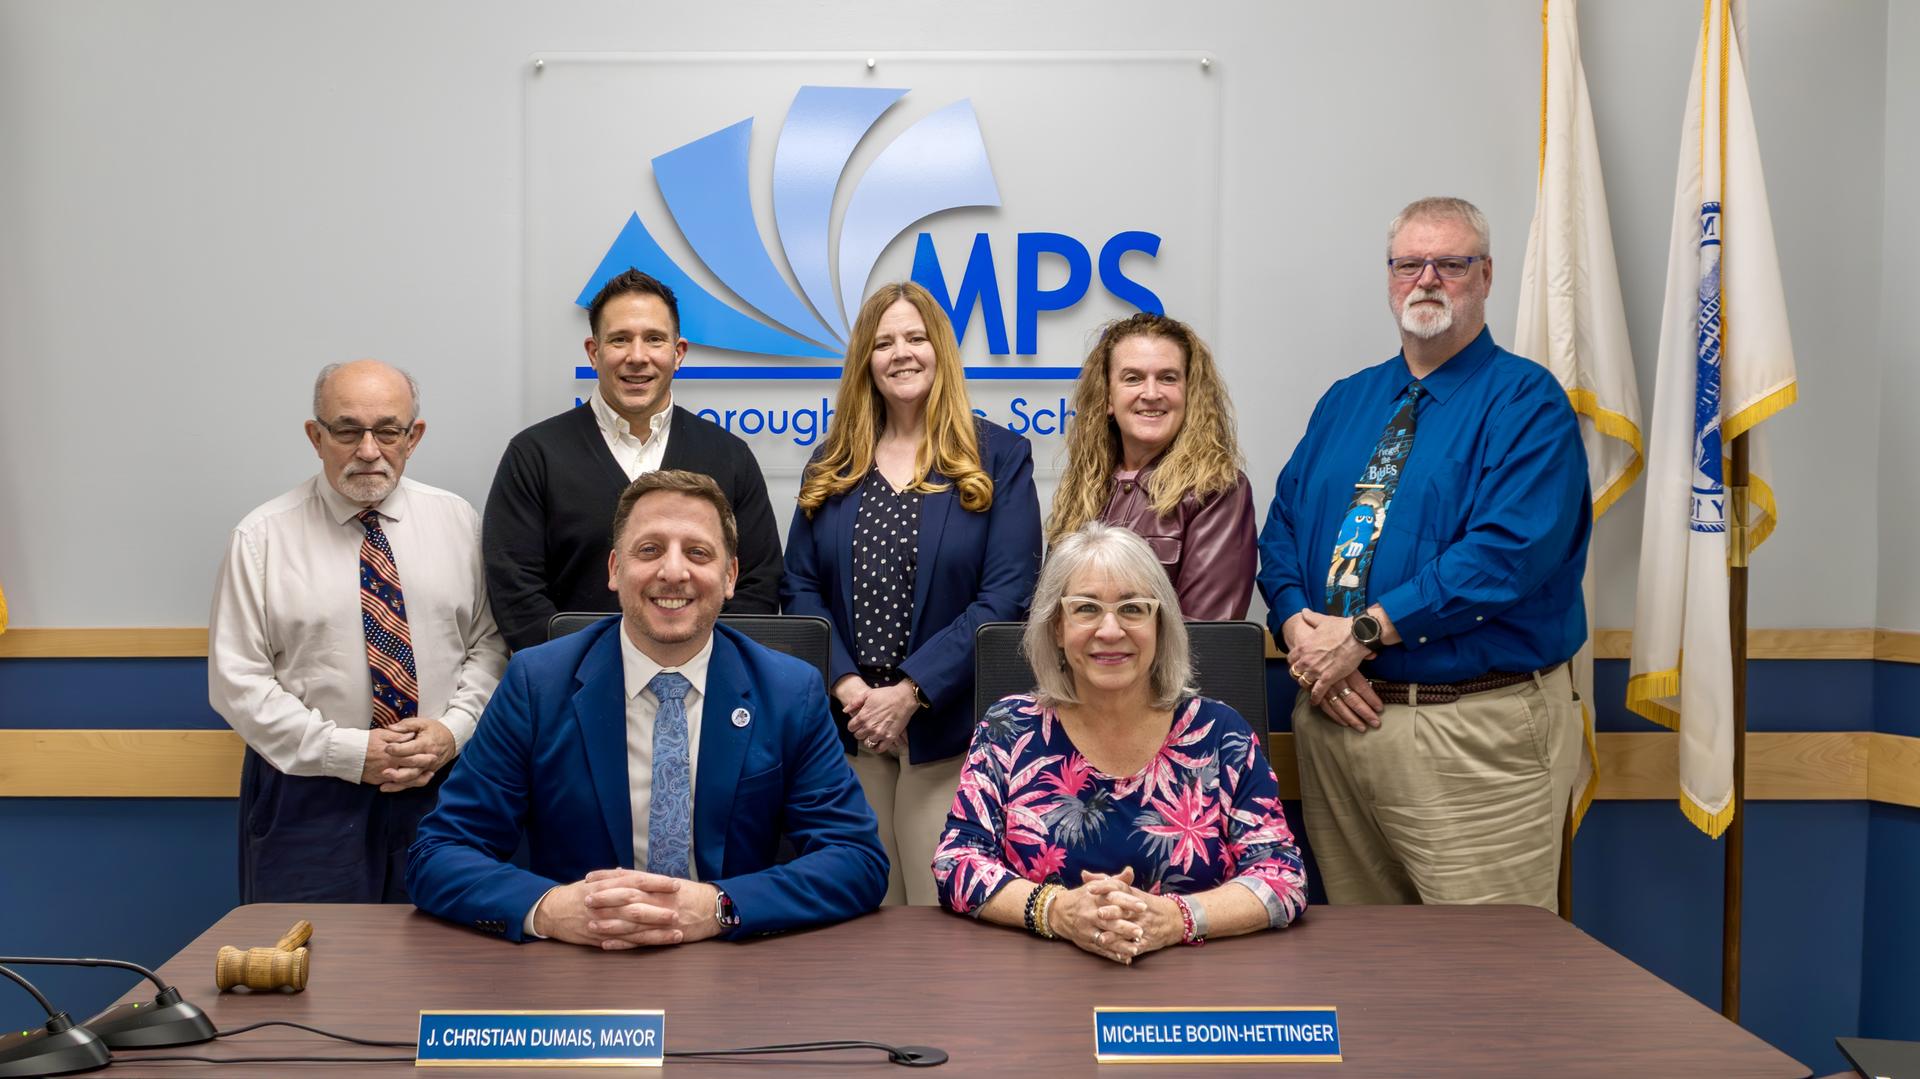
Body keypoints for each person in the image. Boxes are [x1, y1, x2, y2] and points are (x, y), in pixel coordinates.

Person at [1256, 196, 1590, 911]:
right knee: (1366, 962)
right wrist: (1295, 625)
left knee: (1486, 967)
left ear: (1486, 275)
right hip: (1334, 721)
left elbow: (1505, 554)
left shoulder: (1528, 403)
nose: (1427, 279)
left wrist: (1363, 632)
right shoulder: (1347, 401)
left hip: (1470, 735)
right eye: (1409, 264)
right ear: (1390, 277)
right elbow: (1282, 528)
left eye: (1451, 264)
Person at [409, 470, 888, 945]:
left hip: (732, 962)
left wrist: (721, 906)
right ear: (615, 569)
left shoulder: (789, 691)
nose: (673, 572)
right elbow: (440, 852)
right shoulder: (536, 684)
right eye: (650, 550)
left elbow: (856, 858)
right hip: (578, 961)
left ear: (730, 577)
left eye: (697, 552)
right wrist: (551, 910)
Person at [933, 523, 1306, 962]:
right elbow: (957, 860)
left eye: (1132, 609)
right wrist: (1057, 910)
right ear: (1056, 627)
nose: (1110, 631)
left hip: (1198, 981)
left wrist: (1175, 918)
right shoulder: (1007, 728)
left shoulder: (1221, 733)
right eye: (1086, 609)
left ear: (1160, 625)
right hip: (1037, 979)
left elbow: (1282, 876)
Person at [781, 282, 1042, 906]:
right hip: (849, 733)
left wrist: (911, 691)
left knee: (941, 920)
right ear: (865, 360)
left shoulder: (999, 456)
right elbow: (800, 585)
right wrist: (849, 688)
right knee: (857, 917)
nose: (901, 353)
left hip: (949, 737)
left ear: (940, 350)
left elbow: (1006, 597)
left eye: (916, 338)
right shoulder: (831, 461)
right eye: (884, 342)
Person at [209, 360, 507, 902]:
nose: (369, 450)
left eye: (388, 431)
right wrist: (347, 752)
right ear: (315, 436)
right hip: (310, 794)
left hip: (443, 783)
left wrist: (452, 731)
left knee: (444, 945)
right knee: (315, 951)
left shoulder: (458, 522)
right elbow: (238, 683)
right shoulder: (261, 538)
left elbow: (488, 645)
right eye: (347, 431)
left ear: (413, 437)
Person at [483, 270, 784, 651]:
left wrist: (695, 669)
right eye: (620, 339)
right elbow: (516, 592)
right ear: (594, 353)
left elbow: (757, 583)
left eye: (654, 339)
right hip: (569, 682)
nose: (637, 357)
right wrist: (581, 670)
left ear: (678, 353)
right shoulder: (533, 455)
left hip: (704, 683)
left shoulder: (730, 456)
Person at [1047, 313, 1258, 620]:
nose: (1151, 393)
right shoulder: (1083, 488)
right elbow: (1048, 616)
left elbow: (1207, 632)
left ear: (1190, 394)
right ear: (1108, 397)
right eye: (1133, 378)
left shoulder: (1215, 491)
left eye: (1168, 378)